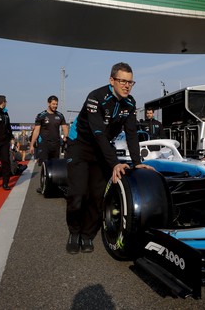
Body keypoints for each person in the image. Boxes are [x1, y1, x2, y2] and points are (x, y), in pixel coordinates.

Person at [64, 62, 154, 254]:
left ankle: (87, 235)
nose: (127, 86)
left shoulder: (130, 103)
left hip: (101, 149)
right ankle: (74, 232)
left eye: (130, 82)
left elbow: (131, 134)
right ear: (111, 80)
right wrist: (114, 163)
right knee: (78, 194)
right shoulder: (95, 97)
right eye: (122, 81)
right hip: (80, 146)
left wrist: (137, 163)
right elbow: (98, 133)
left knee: (97, 196)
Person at [29, 95, 69, 166]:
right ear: (48, 103)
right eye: (53, 104)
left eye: (56, 104)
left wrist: (66, 137)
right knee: (45, 165)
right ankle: (44, 177)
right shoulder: (41, 115)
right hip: (44, 144)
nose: (55, 106)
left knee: (56, 165)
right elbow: (36, 131)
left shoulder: (60, 115)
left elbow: (65, 127)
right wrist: (32, 145)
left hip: (56, 144)